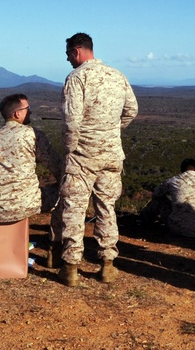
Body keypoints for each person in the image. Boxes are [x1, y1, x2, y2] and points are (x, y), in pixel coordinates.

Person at [53, 32, 138, 286]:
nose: (68, 59)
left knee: (74, 209)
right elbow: (132, 109)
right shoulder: (117, 75)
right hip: (111, 154)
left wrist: (69, 150)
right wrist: (112, 131)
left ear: (77, 51)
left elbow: (72, 121)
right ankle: (107, 265)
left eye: (69, 54)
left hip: (83, 156)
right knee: (106, 207)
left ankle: (70, 267)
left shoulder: (76, 78)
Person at [0, 94, 62, 256]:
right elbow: (56, 166)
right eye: (27, 109)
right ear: (17, 114)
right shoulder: (32, 135)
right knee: (64, 195)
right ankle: (54, 249)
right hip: (24, 203)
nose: (30, 112)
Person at [141, 158, 195, 238]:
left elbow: (156, 194)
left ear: (181, 171)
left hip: (177, 228)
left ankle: (144, 220)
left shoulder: (173, 181)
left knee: (158, 201)